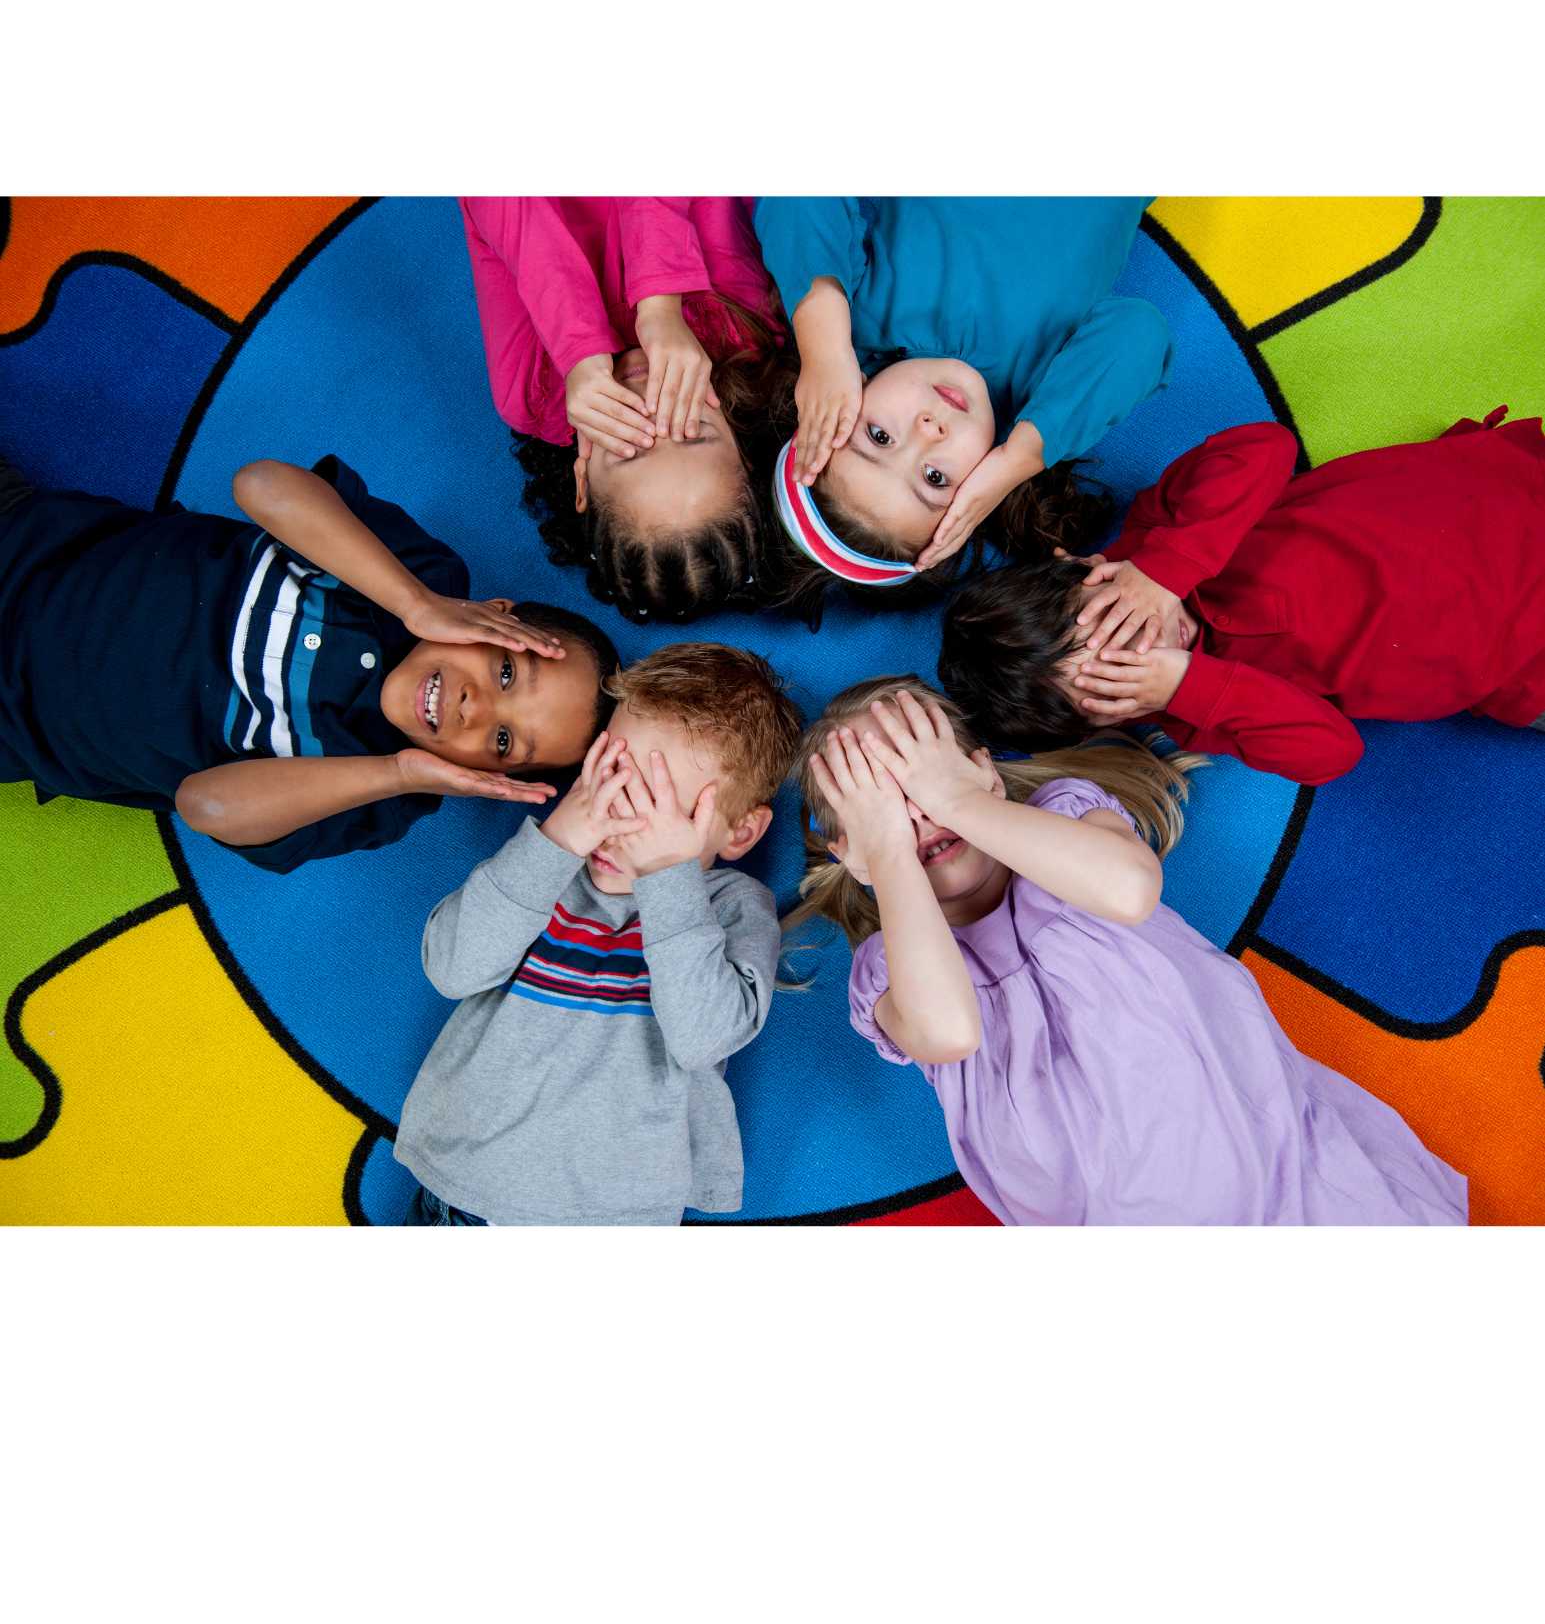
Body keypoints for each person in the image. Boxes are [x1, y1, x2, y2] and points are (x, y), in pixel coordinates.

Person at [786, 678, 1467, 1234]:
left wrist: (953, 801)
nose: (916, 818)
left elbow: (1129, 888)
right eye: (883, 810)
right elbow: (946, 1032)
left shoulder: (1065, 816)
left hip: (1275, 1172)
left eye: (919, 786)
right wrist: (889, 853)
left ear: (983, 776)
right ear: (853, 857)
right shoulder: (886, 966)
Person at [0, 451, 615, 873]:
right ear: (496, 618)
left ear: (488, 776)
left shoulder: (381, 798)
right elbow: (260, 485)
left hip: (14, 720)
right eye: (505, 673)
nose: (475, 706)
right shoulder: (421, 574)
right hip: (25, 540)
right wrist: (415, 602)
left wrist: (397, 772)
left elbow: (204, 805)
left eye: (504, 741)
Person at [394, 643, 804, 1228]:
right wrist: (558, 838)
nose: (617, 823)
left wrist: (668, 877)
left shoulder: (733, 907)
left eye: (659, 810)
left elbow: (704, 1036)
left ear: (740, 833)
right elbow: (450, 968)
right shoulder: (542, 867)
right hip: (460, 1192)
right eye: (611, 779)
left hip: (606, 1223)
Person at [938, 410, 1545, 785]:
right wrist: (1190, 686)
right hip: (1517, 656)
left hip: (1496, 508)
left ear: (1084, 568)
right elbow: (1333, 752)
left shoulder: (1160, 534)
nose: (1147, 646)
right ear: (1114, 718)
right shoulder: (1200, 711)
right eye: (1118, 681)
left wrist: (1164, 567)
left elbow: (1264, 446)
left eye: (1113, 625)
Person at [751, 197, 1172, 622]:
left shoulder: (858, 322)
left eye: (879, 436)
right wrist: (1016, 459)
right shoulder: (1039, 400)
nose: (929, 430)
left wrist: (824, 351)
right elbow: (1141, 333)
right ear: (976, 499)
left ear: (832, 407)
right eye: (935, 478)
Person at [461, 196, 793, 624]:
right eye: (690, 431)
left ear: (583, 480)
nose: (652, 404)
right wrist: (659, 306)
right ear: (742, 450)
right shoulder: (744, 330)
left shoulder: (531, 392)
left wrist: (578, 349)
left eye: (631, 447)